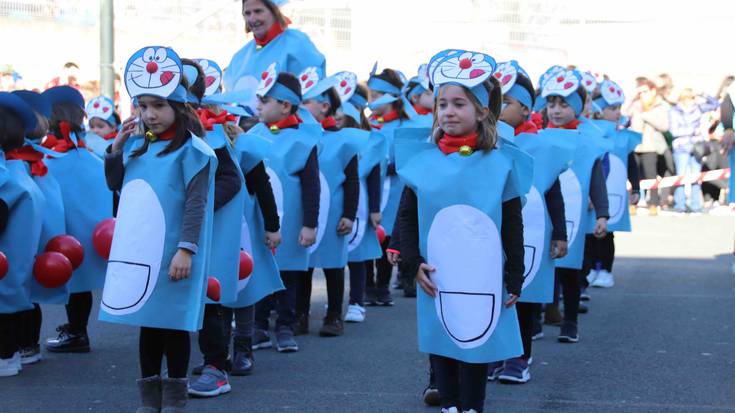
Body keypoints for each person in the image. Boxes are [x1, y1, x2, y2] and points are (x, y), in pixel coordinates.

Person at [398, 50, 530, 413]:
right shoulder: (422, 161)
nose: (448, 112)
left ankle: (472, 405)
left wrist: (514, 274)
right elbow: (407, 216)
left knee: (476, 337)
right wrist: (412, 262)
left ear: (483, 111)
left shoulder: (500, 162)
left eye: (459, 104)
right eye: (442, 104)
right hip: (436, 270)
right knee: (442, 333)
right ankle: (449, 403)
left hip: (481, 271)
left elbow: (512, 221)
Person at [99, 46, 217, 412]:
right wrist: (116, 149)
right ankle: (149, 401)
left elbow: (196, 203)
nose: (150, 114)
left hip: (175, 253)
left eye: (159, 106)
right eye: (143, 106)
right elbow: (115, 184)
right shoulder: (136, 147)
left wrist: (186, 249)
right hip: (143, 253)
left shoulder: (194, 151)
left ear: (179, 107)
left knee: (174, 323)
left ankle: (176, 399)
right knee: (148, 323)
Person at [492, 60, 574, 383]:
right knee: (493, 290)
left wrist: (560, 233)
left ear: (526, 109)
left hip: (530, 233)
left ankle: (520, 357)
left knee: (523, 295)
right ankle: (493, 355)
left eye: (506, 102)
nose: (497, 108)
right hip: (492, 231)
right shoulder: (484, 141)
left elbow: (553, 191)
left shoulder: (542, 146)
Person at [247, 64, 321, 353]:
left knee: (288, 273)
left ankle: (285, 326)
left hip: (291, 221)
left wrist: (310, 224)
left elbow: (311, 185)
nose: (258, 106)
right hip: (260, 220)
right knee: (260, 270)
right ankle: (258, 326)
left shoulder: (304, 140)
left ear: (285, 105)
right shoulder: (253, 134)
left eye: (265, 101)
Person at [183, 59, 244, 398]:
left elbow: (231, 179)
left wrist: (201, 206)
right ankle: (171, 370)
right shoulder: (149, 138)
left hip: (200, 230)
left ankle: (216, 366)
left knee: (207, 297)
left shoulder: (211, 137)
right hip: (169, 231)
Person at [40, 86, 112, 354]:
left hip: (59, 233)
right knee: (81, 279)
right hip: (90, 232)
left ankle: (70, 333)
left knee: (67, 278)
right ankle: (78, 329)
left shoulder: (46, 161)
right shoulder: (93, 156)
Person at [541, 70, 610, 343]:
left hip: (574, 214)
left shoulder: (587, 140)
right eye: (551, 104)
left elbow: (596, 179)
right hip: (545, 212)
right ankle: (538, 318)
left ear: (578, 107)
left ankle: (570, 321)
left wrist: (602, 214)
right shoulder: (539, 136)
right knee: (543, 267)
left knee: (569, 269)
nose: (556, 111)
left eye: (564, 104)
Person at [295, 71, 360, 337]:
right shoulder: (300, 136)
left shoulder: (344, 140)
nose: (300, 108)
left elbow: (352, 181)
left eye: (305, 102)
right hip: (307, 213)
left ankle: (334, 315)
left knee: (333, 265)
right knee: (303, 266)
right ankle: (300, 314)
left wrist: (349, 215)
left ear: (324, 106)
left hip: (334, 214)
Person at [335, 72, 385, 323]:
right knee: (332, 253)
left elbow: (374, 175)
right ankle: (331, 301)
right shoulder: (330, 137)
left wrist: (375, 209)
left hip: (360, 202)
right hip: (335, 200)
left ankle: (357, 302)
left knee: (357, 256)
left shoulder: (371, 140)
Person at [0, 92, 44, 377]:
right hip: (18, 261)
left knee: (3, 306)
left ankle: (6, 357)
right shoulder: (21, 171)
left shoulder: (7, 176)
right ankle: (12, 353)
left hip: (6, 260)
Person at [585, 80, 642, 289]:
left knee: (607, 234)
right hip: (592, 194)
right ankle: (591, 268)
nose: (618, 112)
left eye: (619, 108)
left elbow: (632, 164)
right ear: (599, 110)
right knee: (589, 234)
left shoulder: (623, 136)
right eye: (612, 108)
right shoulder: (588, 134)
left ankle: (606, 270)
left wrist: (636, 188)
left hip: (613, 195)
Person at [223, 0, 325, 111]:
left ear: (274, 12)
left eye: (258, 11)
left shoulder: (297, 43)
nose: (252, 19)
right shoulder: (240, 56)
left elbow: (314, 93)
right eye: (247, 13)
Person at [366, 66, 412, 306]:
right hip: (370, 188)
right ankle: (367, 286)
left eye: (376, 95)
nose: (371, 101)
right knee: (367, 236)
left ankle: (383, 285)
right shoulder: (369, 124)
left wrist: (389, 165)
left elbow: (409, 158)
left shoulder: (405, 126)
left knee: (387, 237)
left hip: (394, 188)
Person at [668, 88, 719, 213]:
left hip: (697, 147)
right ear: (683, 99)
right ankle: (680, 205)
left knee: (696, 177)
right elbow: (674, 131)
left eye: (692, 98)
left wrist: (703, 93)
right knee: (681, 176)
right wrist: (692, 131)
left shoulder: (698, 108)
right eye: (689, 98)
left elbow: (715, 104)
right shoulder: (674, 111)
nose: (692, 101)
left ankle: (696, 205)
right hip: (681, 147)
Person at [623, 78, 670, 215]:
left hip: (650, 146)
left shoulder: (659, 106)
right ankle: (633, 203)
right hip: (635, 146)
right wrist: (632, 97)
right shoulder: (635, 105)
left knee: (651, 176)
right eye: (640, 92)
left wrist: (645, 115)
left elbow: (664, 126)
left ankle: (653, 203)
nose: (642, 94)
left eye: (645, 91)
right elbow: (623, 113)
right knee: (633, 176)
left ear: (653, 91)